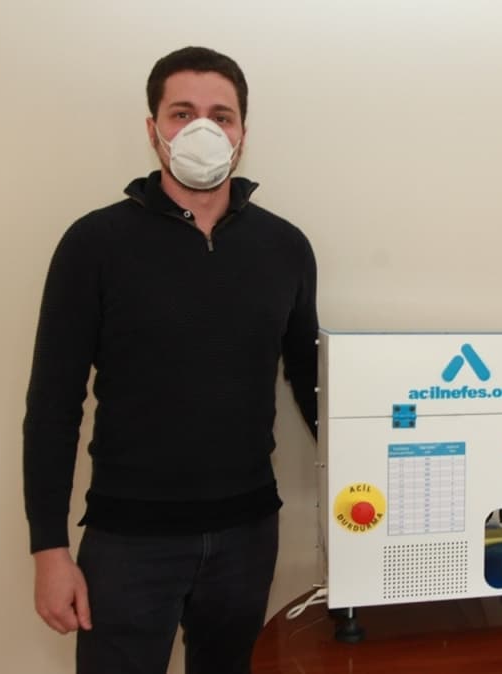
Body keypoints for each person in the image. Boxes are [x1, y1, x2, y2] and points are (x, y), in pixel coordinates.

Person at [23, 46, 318, 674]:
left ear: (242, 133)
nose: (202, 129)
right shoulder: (94, 244)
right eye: (182, 113)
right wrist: (49, 548)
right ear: (153, 128)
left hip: (247, 536)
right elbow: (52, 404)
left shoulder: (285, 247)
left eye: (221, 115)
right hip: (128, 542)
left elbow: (311, 381)